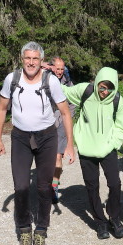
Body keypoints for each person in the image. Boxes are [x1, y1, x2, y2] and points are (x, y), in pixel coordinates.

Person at [0, 42, 75, 245]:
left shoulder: (51, 81)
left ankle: (40, 230)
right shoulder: (12, 79)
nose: (31, 62)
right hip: (20, 137)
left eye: (35, 59)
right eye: (27, 58)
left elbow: (66, 113)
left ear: (41, 61)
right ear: (22, 59)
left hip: (47, 137)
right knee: (21, 187)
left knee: (43, 187)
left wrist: (69, 144)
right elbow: (2, 109)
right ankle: (24, 232)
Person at [62, 67, 123, 239]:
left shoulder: (117, 100)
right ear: (97, 83)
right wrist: (46, 74)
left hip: (107, 149)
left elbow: (121, 127)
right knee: (92, 187)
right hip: (86, 149)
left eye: (109, 88)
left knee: (114, 184)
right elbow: (63, 91)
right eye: (102, 87)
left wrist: (112, 144)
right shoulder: (86, 90)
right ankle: (100, 222)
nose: (105, 92)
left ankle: (115, 218)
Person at [44, 57, 75, 204]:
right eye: (57, 68)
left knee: (57, 157)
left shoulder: (68, 83)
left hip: (61, 124)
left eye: (62, 68)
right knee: (44, 157)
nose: (60, 71)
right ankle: (45, 184)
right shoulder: (43, 79)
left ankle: (54, 186)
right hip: (44, 124)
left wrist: (66, 118)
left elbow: (73, 104)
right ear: (52, 67)